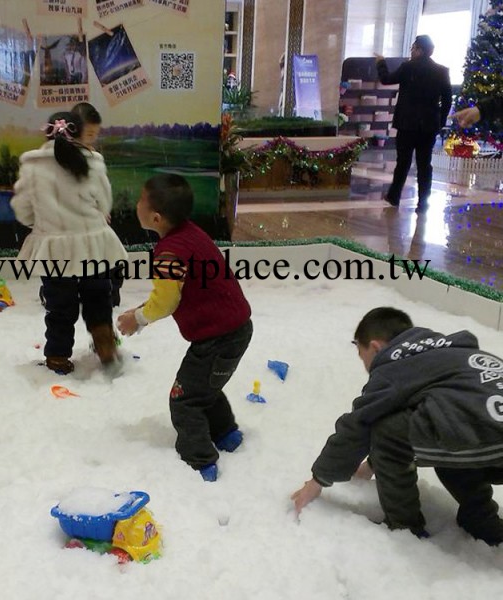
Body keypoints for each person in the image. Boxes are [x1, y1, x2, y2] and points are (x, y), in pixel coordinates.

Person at [291, 307, 503, 546]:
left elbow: (360, 424)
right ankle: (483, 522)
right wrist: (373, 463)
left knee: (388, 431)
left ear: (376, 347)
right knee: (446, 429)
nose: (368, 369)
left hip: (488, 432)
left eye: (364, 359)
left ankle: (405, 530)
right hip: (488, 428)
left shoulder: (393, 364)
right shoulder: (446, 353)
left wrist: (318, 479)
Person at [116, 174, 253, 482]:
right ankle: (227, 435)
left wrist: (136, 319)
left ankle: (200, 461)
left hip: (217, 337)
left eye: (140, 199)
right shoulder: (190, 233)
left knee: (185, 398)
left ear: (155, 217)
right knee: (203, 386)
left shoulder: (168, 253)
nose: (135, 204)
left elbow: (165, 302)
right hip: (236, 327)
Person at [11, 111, 128, 374]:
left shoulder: (32, 166)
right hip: (93, 246)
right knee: (99, 298)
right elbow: (105, 204)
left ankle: (57, 357)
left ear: (47, 132)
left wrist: (43, 224)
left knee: (59, 306)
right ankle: (105, 347)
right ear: (77, 132)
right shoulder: (94, 163)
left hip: (54, 251)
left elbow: (22, 210)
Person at [376, 35, 452, 213]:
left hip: (406, 124)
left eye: (413, 48)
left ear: (419, 50)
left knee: (403, 162)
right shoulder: (441, 71)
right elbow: (447, 100)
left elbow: (386, 79)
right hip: (429, 126)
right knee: (425, 164)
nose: (411, 51)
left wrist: (381, 62)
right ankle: (423, 203)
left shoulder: (408, 67)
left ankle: (394, 197)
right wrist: (439, 121)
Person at [71, 101, 124, 307]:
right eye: (89, 134)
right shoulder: (60, 157)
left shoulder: (95, 158)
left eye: (95, 134)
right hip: (72, 223)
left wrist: (102, 210)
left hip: (95, 219)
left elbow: (102, 191)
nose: (93, 139)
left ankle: (111, 291)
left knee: (111, 255)